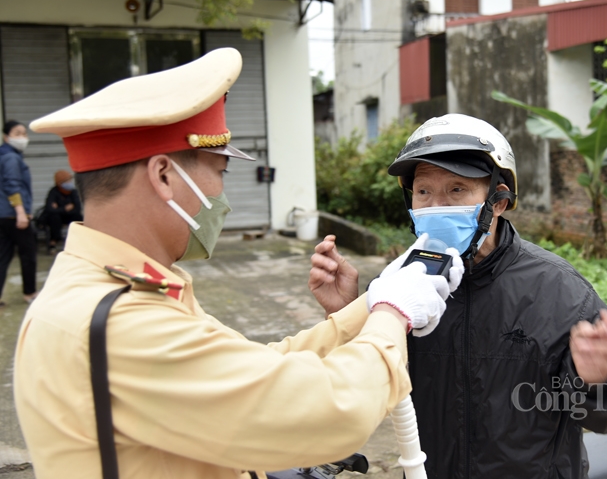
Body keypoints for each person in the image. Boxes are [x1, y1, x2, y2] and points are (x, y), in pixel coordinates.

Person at [13, 48, 464, 479]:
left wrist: (371, 304)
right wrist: (394, 313)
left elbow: (257, 370)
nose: (221, 197)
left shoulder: (123, 289)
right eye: (219, 173)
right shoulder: (117, 321)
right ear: (164, 175)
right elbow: (329, 412)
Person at [309, 114, 607, 478]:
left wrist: (598, 379)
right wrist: (349, 315)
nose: (436, 206)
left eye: (456, 189)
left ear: (498, 201)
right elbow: (364, 387)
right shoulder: (402, 284)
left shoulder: (558, 289)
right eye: (424, 191)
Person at [0, 120, 37, 306]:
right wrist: (21, 213)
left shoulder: (4, 155)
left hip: (3, 215)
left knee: (3, 256)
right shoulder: (11, 158)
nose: (22, 137)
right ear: (7, 137)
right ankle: (29, 293)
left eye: (24, 133)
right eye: (17, 133)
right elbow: (12, 186)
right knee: (28, 254)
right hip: (14, 215)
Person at [40, 169, 83, 254]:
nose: (70, 182)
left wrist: (58, 209)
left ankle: (78, 242)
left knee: (78, 217)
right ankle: (53, 243)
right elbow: (49, 209)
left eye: (70, 180)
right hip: (57, 217)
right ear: (60, 183)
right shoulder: (53, 192)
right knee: (54, 218)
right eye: (67, 181)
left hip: (69, 216)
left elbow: (77, 208)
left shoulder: (73, 192)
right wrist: (64, 209)